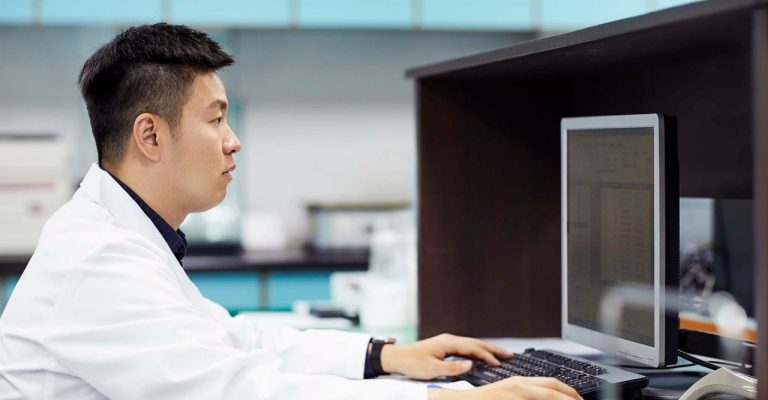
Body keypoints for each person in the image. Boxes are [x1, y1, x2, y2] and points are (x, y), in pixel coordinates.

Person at [0, 23, 581, 400]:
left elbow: (234, 341)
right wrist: (448, 398)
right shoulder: (97, 260)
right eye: (216, 118)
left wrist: (384, 356)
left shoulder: (121, 234)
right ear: (150, 136)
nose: (233, 141)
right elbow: (237, 390)